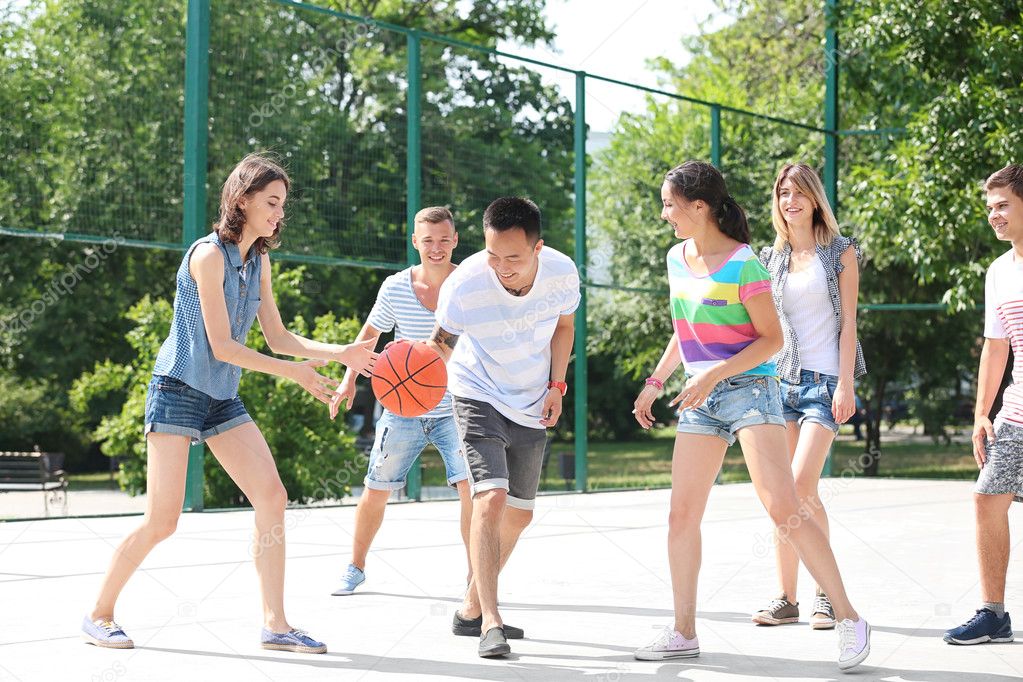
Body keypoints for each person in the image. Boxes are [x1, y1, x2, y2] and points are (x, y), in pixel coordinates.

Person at [81, 154, 376, 654]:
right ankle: (99, 614)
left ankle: (276, 624)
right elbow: (222, 345)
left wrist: (338, 352)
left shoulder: (259, 260)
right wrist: (295, 375)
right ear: (242, 199)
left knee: (273, 497)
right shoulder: (208, 256)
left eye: (282, 205)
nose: (279, 213)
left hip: (221, 398)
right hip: (176, 389)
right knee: (163, 520)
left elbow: (278, 336)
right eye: (271, 202)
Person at [630, 161, 870, 670]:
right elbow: (684, 327)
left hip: (750, 390)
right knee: (681, 516)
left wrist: (713, 376)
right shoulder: (676, 257)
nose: (664, 212)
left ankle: (848, 617)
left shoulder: (746, 263)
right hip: (701, 397)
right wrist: (654, 382)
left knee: (784, 505)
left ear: (700, 207)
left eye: (670, 203)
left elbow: (772, 339)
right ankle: (683, 631)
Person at [427, 196, 580, 658]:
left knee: (521, 512)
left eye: (513, 257)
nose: (501, 266)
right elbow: (440, 346)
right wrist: (435, 392)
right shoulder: (466, 283)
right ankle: (490, 621)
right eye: (493, 254)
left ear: (538, 248)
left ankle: (471, 606)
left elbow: (565, 326)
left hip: (532, 397)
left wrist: (557, 383)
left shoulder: (561, 273)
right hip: (476, 393)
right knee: (489, 497)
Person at [328, 206, 472, 595]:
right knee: (377, 487)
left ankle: (476, 576)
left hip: (456, 408)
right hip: (403, 407)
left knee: (470, 489)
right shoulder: (395, 287)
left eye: (444, 239)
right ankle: (355, 567)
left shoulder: (470, 284)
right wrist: (348, 382)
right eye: (428, 240)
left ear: (455, 239)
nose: (437, 248)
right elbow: (368, 336)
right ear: (415, 242)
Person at [752, 162, 866, 631]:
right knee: (790, 493)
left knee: (799, 486)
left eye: (799, 193)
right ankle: (788, 597)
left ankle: (825, 592)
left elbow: (848, 324)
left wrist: (845, 383)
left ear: (815, 198)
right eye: (782, 193)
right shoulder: (770, 258)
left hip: (824, 385)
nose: (790, 201)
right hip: (782, 384)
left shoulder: (841, 252)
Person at [944, 164, 1023, 646]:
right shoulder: (998, 272)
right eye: (989, 207)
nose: (993, 216)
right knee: (986, 498)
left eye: (1003, 206)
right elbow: (996, 348)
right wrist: (981, 414)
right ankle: (993, 613)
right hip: (1016, 411)